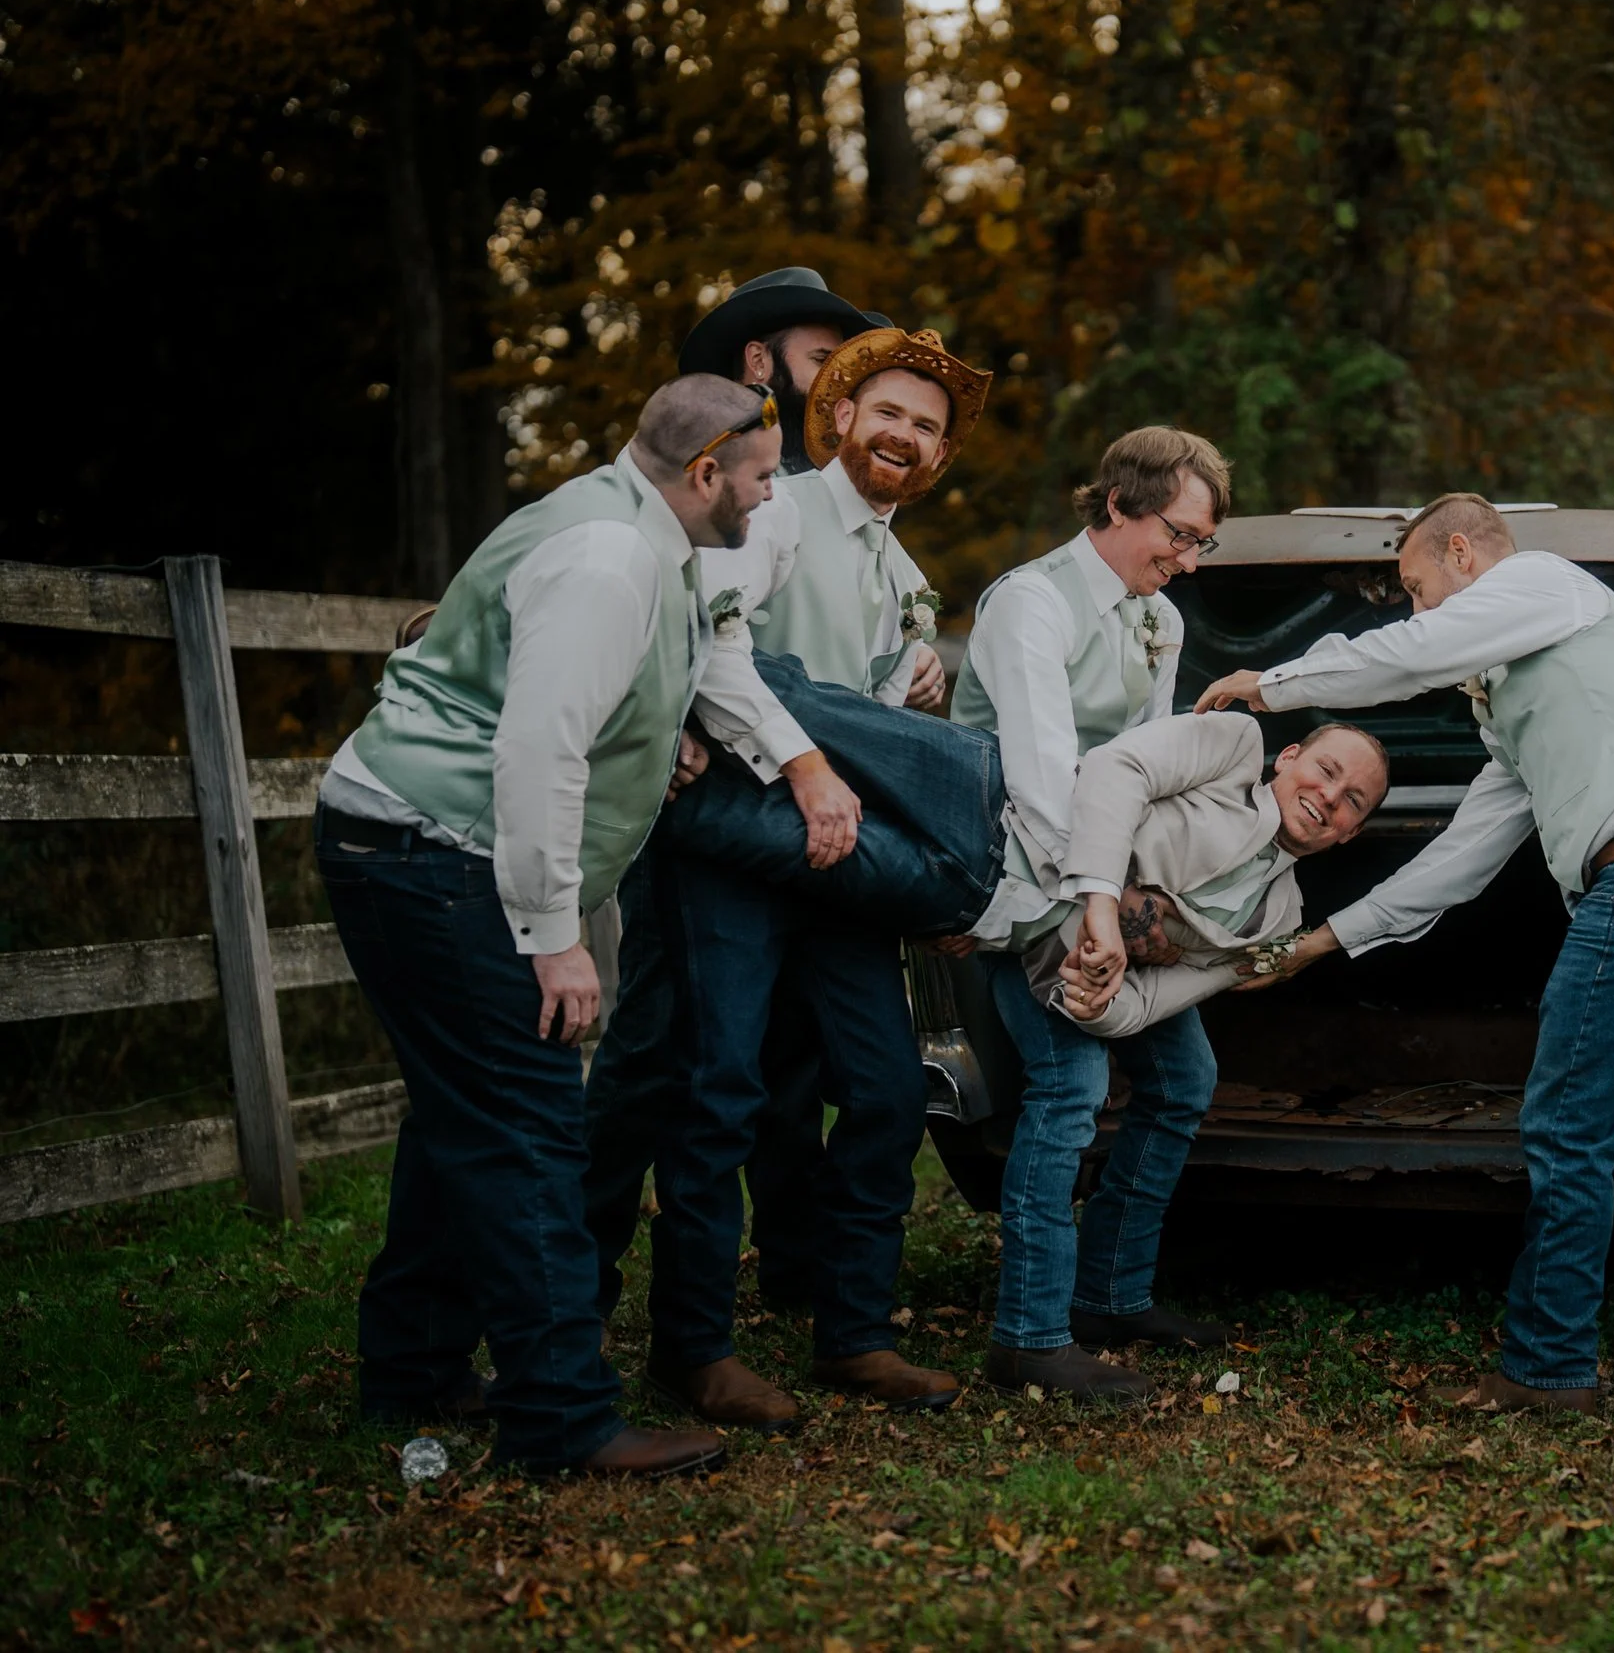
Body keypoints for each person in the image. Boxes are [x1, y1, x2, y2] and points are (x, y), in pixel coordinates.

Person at [316, 373, 794, 1476]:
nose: (771, 498)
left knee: (461, 1114)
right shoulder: (609, 557)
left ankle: (415, 1368)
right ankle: (565, 1417)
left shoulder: (627, 521)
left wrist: (662, 736)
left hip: (408, 840)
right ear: (706, 470)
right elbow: (536, 747)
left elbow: (580, 692)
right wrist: (553, 934)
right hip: (435, 850)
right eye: (762, 477)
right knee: (529, 1122)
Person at [1197, 493, 1614, 1414]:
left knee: (1565, 1120)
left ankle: (1548, 1368)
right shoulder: (1522, 708)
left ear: (1462, 552)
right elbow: (1456, 863)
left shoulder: (1546, 581)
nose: (1415, 611)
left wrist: (1271, 685)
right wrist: (1321, 942)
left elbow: (1413, 655)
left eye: (1416, 586)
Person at [583, 321, 993, 1427]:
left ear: (942, 456)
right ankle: (692, 1349)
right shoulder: (781, 509)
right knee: (718, 1090)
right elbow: (711, 644)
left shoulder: (903, 571)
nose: (907, 435)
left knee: (887, 1084)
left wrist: (909, 688)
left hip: (838, 858)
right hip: (730, 840)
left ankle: (853, 1329)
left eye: (930, 425)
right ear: (842, 415)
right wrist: (811, 764)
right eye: (891, 411)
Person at [949, 426, 1237, 1403]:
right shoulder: (1029, 601)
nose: (1187, 559)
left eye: (1201, 543)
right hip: (1025, 883)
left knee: (1182, 1074)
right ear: (1116, 502)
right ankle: (1028, 1333)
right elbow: (1036, 776)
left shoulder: (1160, 620)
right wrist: (1093, 908)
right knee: (1068, 1086)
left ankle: (1110, 1294)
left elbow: (1146, 770)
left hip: (1104, 877)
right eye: (1180, 533)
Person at [1020, 714, 1390, 1037]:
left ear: (1351, 833)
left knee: (1177, 1085)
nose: (1329, 795)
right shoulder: (1235, 746)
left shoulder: (1278, 925)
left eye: (1353, 800)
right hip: (1008, 843)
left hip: (1031, 953)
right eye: (1326, 770)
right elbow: (1116, 768)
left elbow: (1148, 1002)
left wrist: (1099, 1008)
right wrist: (1107, 899)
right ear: (1288, 757)